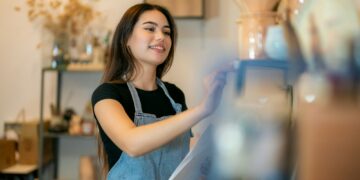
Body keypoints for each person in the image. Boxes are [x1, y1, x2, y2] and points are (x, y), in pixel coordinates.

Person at [91, 3, 233, 180]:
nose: (161, 37)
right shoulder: (107, 94)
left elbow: (184, 150)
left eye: (166, 32)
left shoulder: (174, 94)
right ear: (126, 38)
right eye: (150, 28)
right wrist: (203, 109)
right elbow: (132, 143)